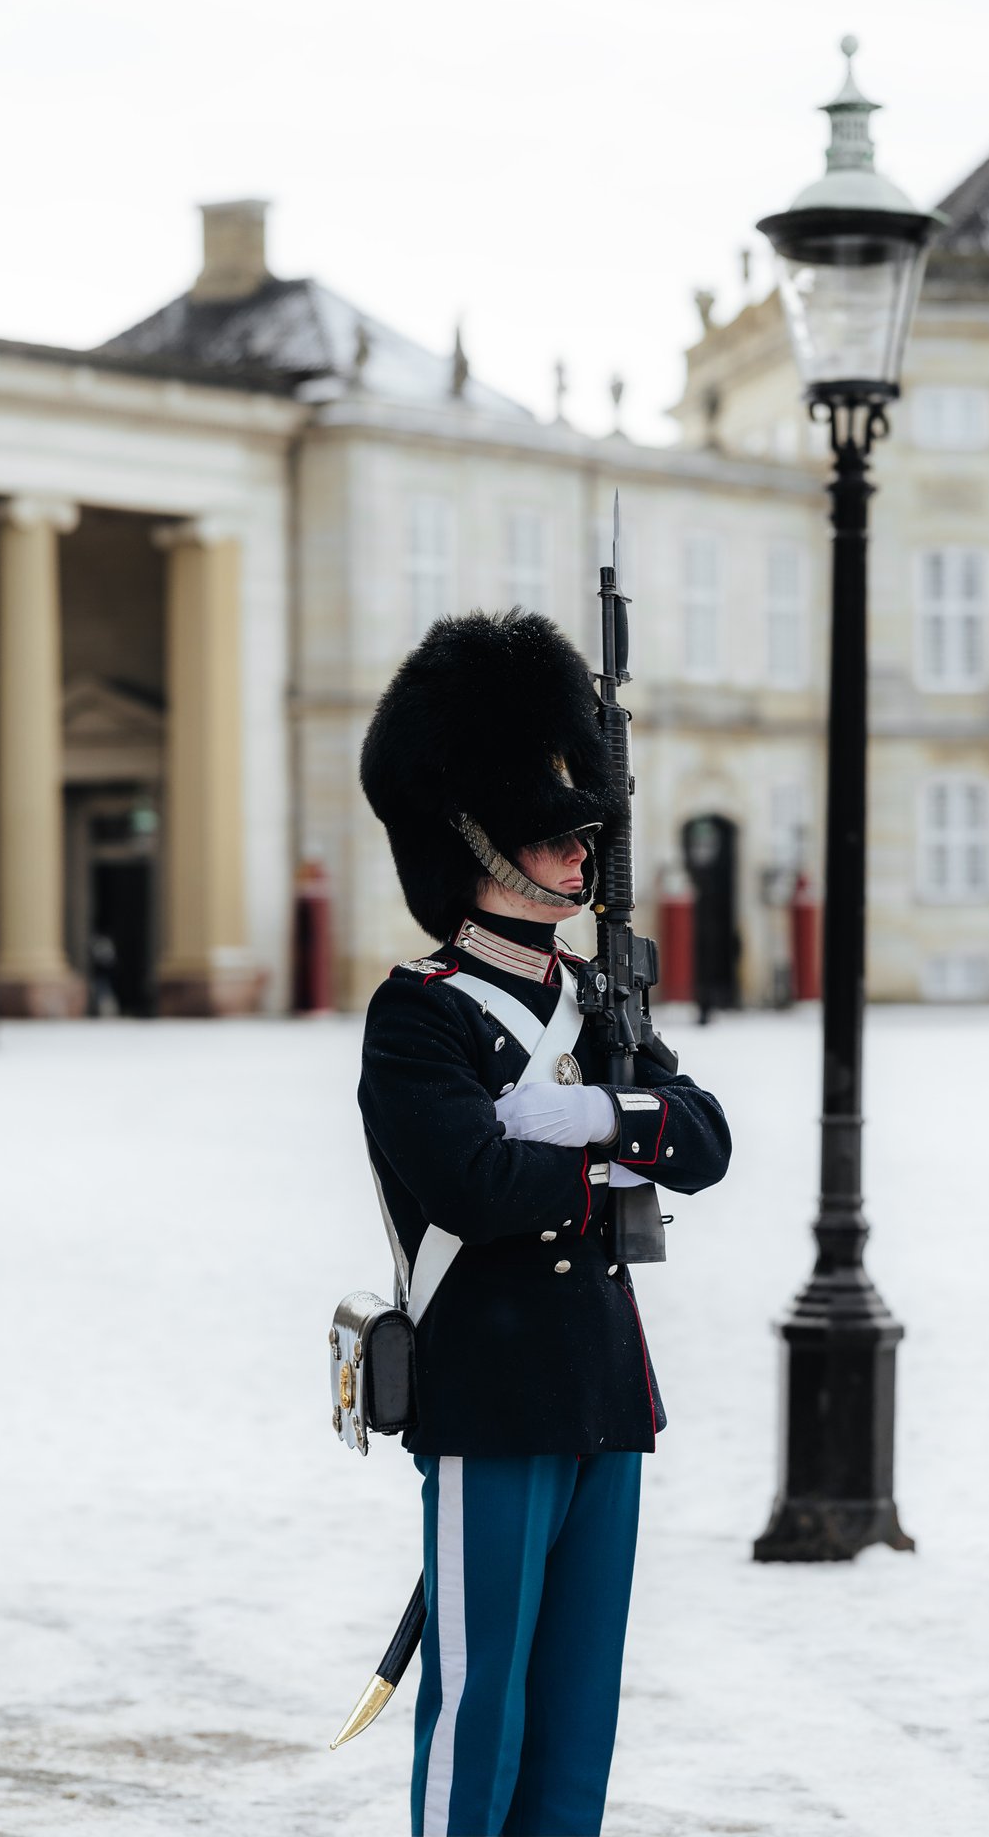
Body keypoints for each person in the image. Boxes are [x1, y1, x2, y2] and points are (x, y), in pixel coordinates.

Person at [358, 608, 732, 1837]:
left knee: (577, 1721)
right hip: (490, 1386)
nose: (578, 855)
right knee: (480, 1716)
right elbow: (471, 1186)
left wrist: (592, 1117)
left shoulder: (596, 1001)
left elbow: (707, 1141)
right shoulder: (421, 1015)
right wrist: (621, 1140)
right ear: (469, 842)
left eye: (580, 834)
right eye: (550, 834)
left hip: (600, 1392)